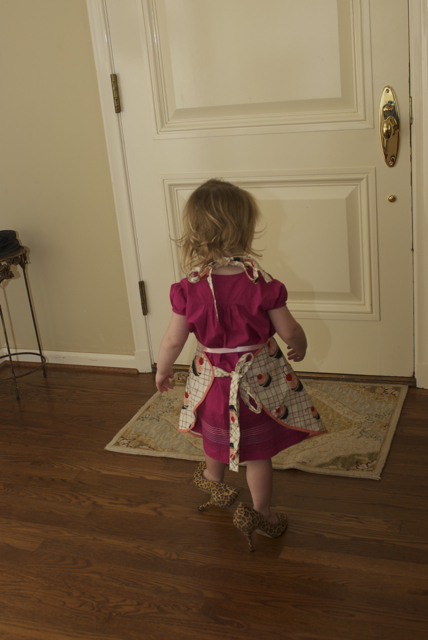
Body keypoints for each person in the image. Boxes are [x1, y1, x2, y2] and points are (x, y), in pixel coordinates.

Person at [155, 179, 327, 551]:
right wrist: (299, 344)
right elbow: (289, 330)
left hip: (211, 384)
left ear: (195, 233)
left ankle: (215, 484)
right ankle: (261, 514)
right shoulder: (262, 284)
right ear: (245, 229)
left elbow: (172, 340)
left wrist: (163, 368)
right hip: (257, 386)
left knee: (213, 435)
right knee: (257, 454)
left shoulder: (189, 288)